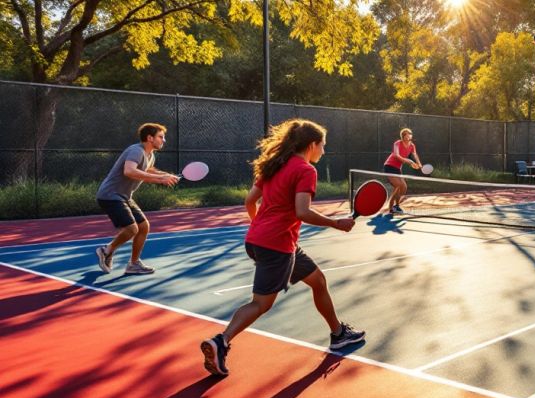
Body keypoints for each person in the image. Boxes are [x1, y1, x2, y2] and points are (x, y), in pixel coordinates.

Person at [200, 119, 365, 376]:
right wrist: (336, 223)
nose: (324, 150)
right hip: (276, 246)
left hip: (262, 240)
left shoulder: (272, 165)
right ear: (312, 145)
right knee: (260, 304)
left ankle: (338, 333)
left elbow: (249, 202)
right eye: (323, 146)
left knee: (318, 280)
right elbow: (303, 212)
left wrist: (261, 228)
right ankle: (221, 342)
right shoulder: (306, 170)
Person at [94, 123, 180, 275]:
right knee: (132, 229)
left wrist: (164, 175)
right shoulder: (136, 151)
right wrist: (160, 179)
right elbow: (129, 171)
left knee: (144, 226)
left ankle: (133, 264)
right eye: (161, 137)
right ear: (149, 138)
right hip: (110, 195)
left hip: (124, 196)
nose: (164, 140)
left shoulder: (149, 155)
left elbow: (147, 170)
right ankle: (106, 251)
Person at [382, 127, 422, 214]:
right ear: (403, 136)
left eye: (409, 134)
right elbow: (396, 155)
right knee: (398, 185)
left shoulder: (412, 145)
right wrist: (409, 161)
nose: (408, 136)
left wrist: (419, 164)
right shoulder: (397, 143)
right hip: (389, 166)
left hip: (397, 168)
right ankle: (390, 207)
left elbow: (415, 155)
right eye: (406, 134)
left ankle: (397, 206)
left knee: (404, 187)